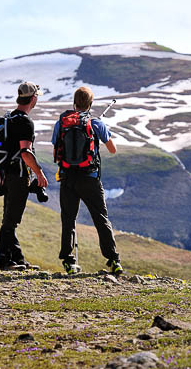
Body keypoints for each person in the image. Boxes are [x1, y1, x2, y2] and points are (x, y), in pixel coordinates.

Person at [52, 86, 123, 275]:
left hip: (67, 178)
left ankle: (68, 261)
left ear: (74, 103)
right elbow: (113, 149)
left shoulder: (62, 123)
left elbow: (56, 149)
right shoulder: (95, 123)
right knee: (101, 218)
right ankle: (113, 260)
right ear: (90, 104)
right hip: (89, 178)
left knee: (68, 219)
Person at [0, 82, 48, 271]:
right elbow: (25, 152)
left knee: (9, 218)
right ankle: (4, 261)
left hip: (4, 174)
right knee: (11, 221)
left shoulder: (8, 119)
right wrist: (39, 173)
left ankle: (18, 259)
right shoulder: (25, 122)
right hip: (18, 175)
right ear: (33, 98)